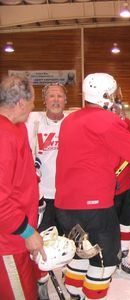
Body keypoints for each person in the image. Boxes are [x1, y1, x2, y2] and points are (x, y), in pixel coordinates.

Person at [54, 73, 130, 299]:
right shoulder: (106, 120)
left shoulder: (70, 120)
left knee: (80, 255)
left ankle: (74, 293)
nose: (116, 97)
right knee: (104, 262)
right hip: (94, 208)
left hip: (66, 208)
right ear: (105, 95)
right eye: (113, 93)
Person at [0, 75, 46, 300]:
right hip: (8, 242)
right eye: (32, 101)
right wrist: (27, 232)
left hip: (17, 237)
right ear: (20, 103)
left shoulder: (15, 128)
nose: (33, 106)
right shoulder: (3, 134)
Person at [25, 82, 67, 298]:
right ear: (44, 100)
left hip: (68, 195)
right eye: (51, 96)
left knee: (69, 238)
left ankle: (70, 275)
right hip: (42, 195)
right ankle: (41, 280)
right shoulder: (33, 120)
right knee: (42, 241)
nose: (56, 100)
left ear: (65, 100)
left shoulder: (72, 122)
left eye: (59, 96)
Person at [111, 100, 130, 278]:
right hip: (107, 187)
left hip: (128, 184)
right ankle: (108, 256)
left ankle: (123, 256)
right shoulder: (101, 125)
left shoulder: (126, 123)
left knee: (128, 222)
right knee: (107, 226)